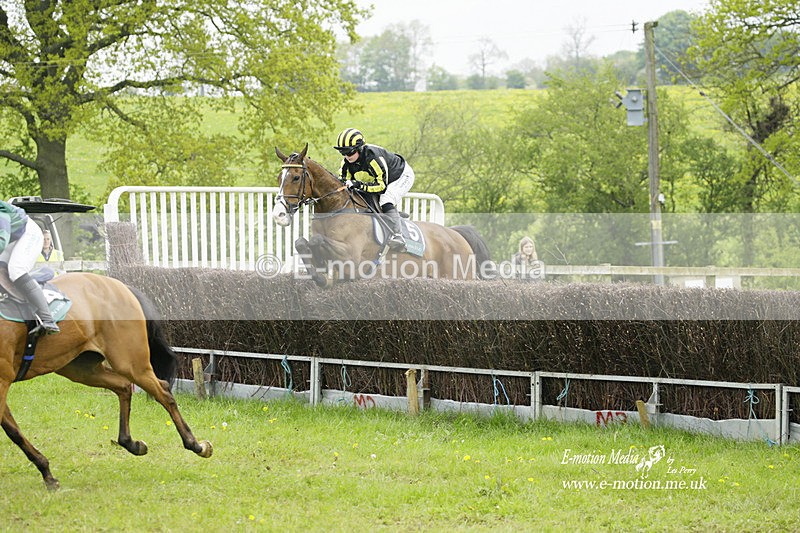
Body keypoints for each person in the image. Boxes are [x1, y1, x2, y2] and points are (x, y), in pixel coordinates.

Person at [334, 128, 415, 250]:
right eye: (343, 153)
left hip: (402, 175)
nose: (346, 156)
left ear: (359, 149)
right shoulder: (346, 162)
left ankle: (398, 235)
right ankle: (393, 214)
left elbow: (381, 187)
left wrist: (359, 184)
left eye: (349, 153)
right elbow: (343, 184)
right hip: (386, 177)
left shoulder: (373, 158)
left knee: (386, 199)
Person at [0, 200, 60, 333]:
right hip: (14, 237)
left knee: (16, 270)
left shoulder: (0, 213)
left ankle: (48, 319)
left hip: (29, 234)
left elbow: (2, 241)